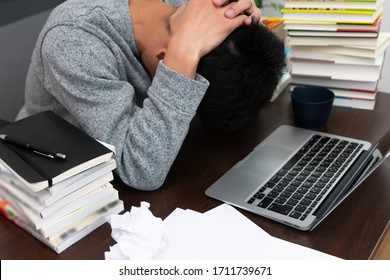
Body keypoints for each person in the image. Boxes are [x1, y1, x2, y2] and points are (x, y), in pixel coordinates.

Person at [16, 0, 286, 190]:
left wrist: (245, 28)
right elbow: (141, 171)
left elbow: (233, 64)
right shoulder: (72, 41)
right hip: (52, 175)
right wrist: (182, 56)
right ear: (164, 58)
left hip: (120, 164)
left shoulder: (187, 10)